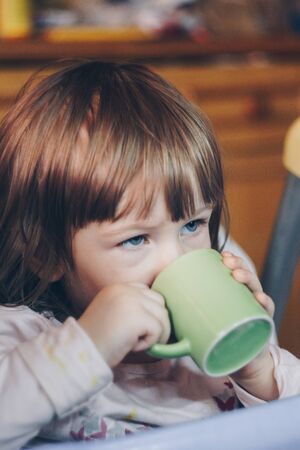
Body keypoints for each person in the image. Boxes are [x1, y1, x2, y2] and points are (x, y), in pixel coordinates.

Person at [0, 60, 292, 450]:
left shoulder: (217, 349)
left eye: (192, 225)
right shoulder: (24, 339)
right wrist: (89, 344)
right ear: (46, 254)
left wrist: (259, 369)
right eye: (135, 239)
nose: (175, 260)